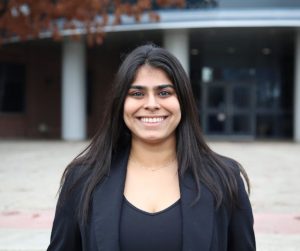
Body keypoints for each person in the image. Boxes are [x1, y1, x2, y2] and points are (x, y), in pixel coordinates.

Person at [47, 44, 256, 251]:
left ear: (182, 101)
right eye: (137, 94)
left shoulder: (225, 179)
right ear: (121, 104)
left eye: (164, 93)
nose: (151, 104)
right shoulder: (82, 179)